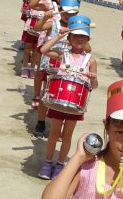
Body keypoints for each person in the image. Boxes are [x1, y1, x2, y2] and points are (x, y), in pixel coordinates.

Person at [37, 15, 98, 180]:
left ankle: (60, 164)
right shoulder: (62, 54)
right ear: (70, 38)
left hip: (75, 102)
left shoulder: (90, 60)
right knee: (54, 133)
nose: (79, 39)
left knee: (67, 136)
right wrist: (59, 35)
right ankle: (48, 162)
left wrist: (92, 77)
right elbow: (43, 50)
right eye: (76, 36)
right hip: (59, 100)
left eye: (83, 37)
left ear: (87, 40)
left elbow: (94, 86)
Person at [32, 0, 81, 138]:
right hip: (50, 64)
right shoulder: (54, 22)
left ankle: (57, 126)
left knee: (64, 95)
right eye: (65, 12)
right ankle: (40, 122)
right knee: (46, 95)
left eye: (72, 13)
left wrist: (80, 37)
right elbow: (37, 28)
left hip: (67, 67)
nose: (68, 15)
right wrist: (44, 19)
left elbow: (88, 48)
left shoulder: (77, 27)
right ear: (61, 10)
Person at [20, 0, 53, 79]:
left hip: (41, 27)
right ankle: (25, 67)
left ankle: (32, 69)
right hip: (31, 26)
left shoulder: (50, 1)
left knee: (35, 49)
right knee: (27, 48)